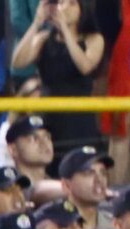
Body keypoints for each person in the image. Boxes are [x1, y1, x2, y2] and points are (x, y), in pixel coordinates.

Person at [11, 0, 109, 146]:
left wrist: (66, 31)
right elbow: (17, 62)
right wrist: (36, 24)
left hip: (79, 117)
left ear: (83, 9)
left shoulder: (94, 39)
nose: (65, 8)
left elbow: (85, 66)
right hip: (49, 114)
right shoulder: (43, 39)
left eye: (72, 3)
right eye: (62, 3)